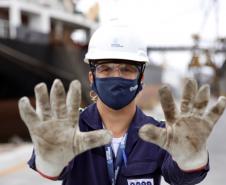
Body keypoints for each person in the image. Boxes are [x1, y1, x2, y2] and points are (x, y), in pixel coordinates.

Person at [18, 22, 226, 185]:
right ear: (92, 78)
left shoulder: (160, 134)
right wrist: (50, 162)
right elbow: (52, 169)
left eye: (126, 69)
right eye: (105, 69)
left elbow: (180, 177)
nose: (115, 76)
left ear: (141, 79)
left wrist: (192, 159)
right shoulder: (70, 128)